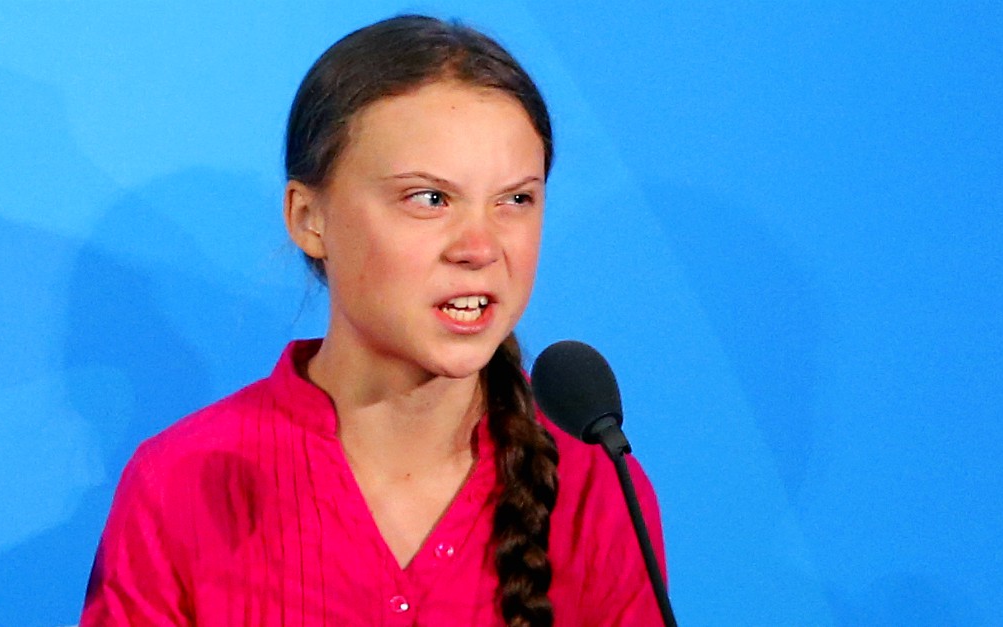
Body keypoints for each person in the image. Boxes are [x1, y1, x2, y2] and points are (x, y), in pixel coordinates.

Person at [80, 14, 666, 626]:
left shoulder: (594, 484)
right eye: (429, 199)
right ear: (308, 218)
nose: (480, 247)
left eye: (515, 199)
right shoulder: (181, 484)